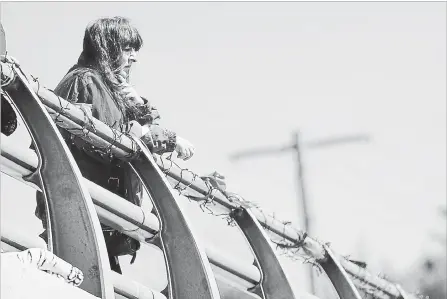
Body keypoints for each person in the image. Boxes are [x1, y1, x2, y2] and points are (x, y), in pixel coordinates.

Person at [35, 16, 195, 273]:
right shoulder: (86, 81)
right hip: (82, 212)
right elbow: (109, 141)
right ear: (106, 47)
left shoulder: (105, 86)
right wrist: (164, 138)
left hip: (95, 215)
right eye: (128, 49)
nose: (134, 58)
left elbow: (123, 132)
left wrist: (139, 105)